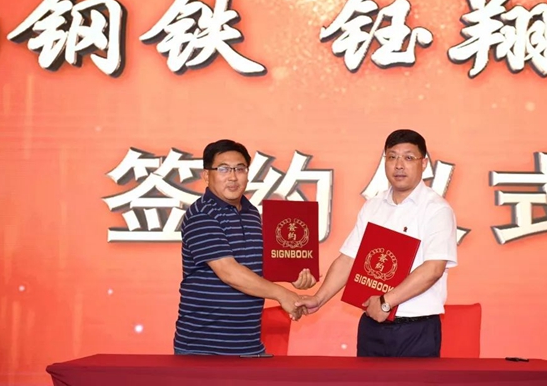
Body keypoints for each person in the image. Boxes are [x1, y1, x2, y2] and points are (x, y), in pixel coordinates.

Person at [297, 129, 457, 357]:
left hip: (416, 330)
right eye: (392, 157)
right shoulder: (373, 206)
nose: (399, 165)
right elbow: (349, 259)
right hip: (372, 325)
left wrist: (386, 302)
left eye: (408, 157)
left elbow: (433, 269)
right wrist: (318, 299)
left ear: (423, 164)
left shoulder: (436, 209)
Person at [174, 139, 315, 356]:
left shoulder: (251, 213)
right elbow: (228, 271)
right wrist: (282, 294)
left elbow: (254, 265)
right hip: (203, 347)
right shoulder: (202, 214)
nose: (233, 177)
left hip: (248, 345)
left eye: (240, 169)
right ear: (206, 175)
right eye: (223, 169)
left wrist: (290, 274)